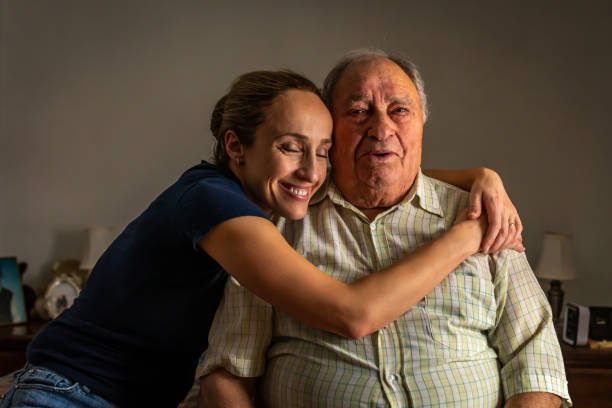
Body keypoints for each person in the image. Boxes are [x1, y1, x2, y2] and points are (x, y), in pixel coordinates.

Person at [1, 70, 518, 408]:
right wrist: (468, 233)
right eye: (292, 147)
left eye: (322, 151)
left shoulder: (264, 196)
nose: (312, 171)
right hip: (69, 395)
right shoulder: (214, 203)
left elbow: (382, 172)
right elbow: (351, 314)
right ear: (236, 146)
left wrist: (480, 175)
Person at [198, 51, 570, 407]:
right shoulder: (274, 226)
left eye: (400, 110)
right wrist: (468, 235)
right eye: (358, 111)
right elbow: (229, 374)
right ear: (331, 129)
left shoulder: (486, 212)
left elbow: (538, 368)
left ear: (421, 121)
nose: (381, 128)